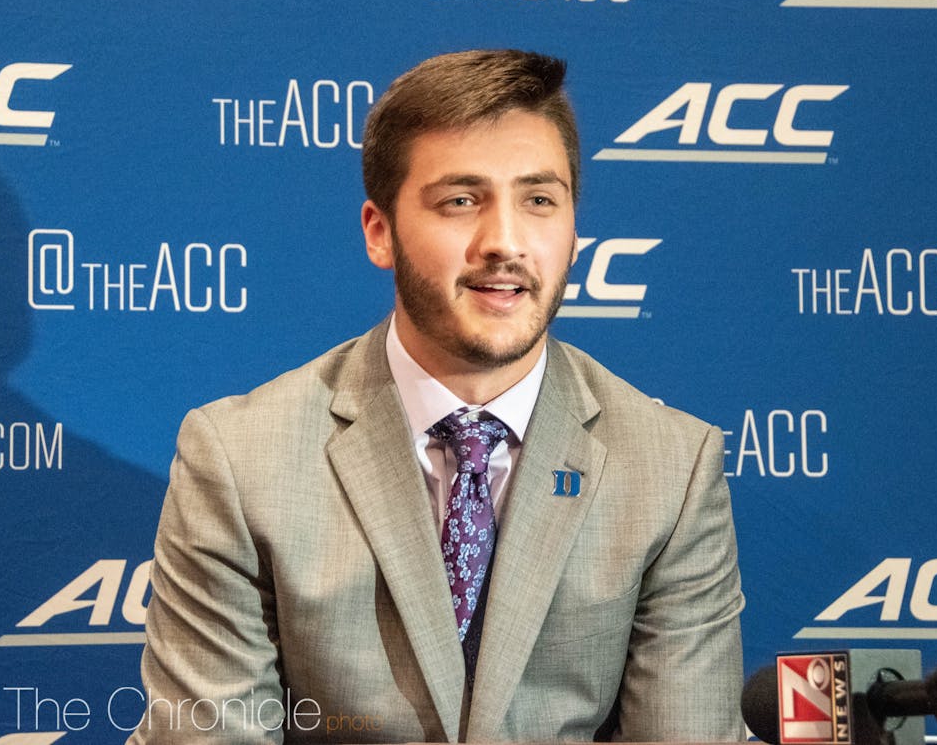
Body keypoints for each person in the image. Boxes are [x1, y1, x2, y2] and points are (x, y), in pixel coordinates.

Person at [130, 49, 745, 744]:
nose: (505, 242)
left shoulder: (672, 468)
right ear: (380, 232)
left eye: (539, 200)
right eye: (461, 201)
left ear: (574, 231)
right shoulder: (241, 461)